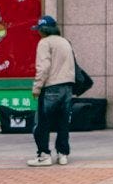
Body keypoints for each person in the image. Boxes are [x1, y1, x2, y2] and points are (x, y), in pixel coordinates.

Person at [24, 15, 77, 167]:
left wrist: (37, 87)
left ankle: (44, 155)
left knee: (42, 123)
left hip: (50, 88)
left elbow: (43, 67)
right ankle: (63, 154)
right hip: (67, 87)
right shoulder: (66, 42)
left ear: (43, 30)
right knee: (63, 123)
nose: (38, 33)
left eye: (39, 30)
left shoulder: (44, 43)